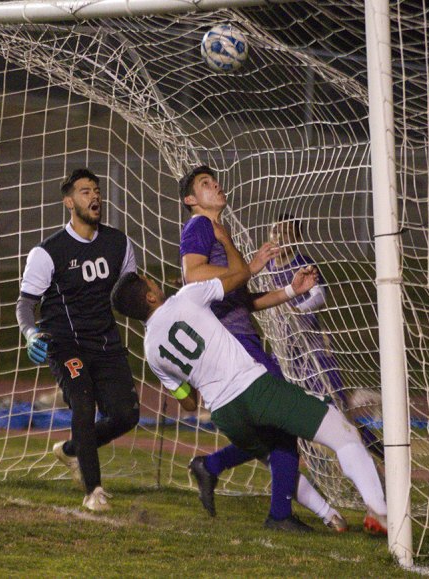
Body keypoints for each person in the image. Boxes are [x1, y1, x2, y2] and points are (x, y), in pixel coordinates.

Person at [110, 264, 388, 535]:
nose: (156, 283)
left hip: (226, 414)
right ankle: (381, 513)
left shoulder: (151, 351)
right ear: (149, 296)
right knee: (344, 433)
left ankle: (322, 516)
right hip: (254, 389)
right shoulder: (188, 296)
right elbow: (238, 277)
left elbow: (189, 403)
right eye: (150, 282)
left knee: (281, 452)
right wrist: (285, 284)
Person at [178, 166, 347, 532]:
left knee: (274, 433)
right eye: (205, 184)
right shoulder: (200, 227)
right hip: (233, 348)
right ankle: (279, 514)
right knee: (285, 422)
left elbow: (244, 301)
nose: (216, 185)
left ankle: (213, 467)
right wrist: (250, 266)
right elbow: (193, 275)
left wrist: (291, 292)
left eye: (215, 180)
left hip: (243, 341)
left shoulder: (221, 233)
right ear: (191, 199)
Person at [16, 168, 140, 512]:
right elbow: (26, 303)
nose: (95, 197)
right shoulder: (47, 251)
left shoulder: (119, 244)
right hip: (66, 344)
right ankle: (94, 490)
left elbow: (128, 294)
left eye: (97, 190)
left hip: (106, 343)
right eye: (85, 191)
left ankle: (71, 450)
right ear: (69, 201)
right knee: (83, 405)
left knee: (127, 415)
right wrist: (30, 333)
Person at [267, 214, 384, 460]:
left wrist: (298, 309)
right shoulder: (266, 265)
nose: (278, 237)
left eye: (286, 233)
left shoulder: (304, 264)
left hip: (312, 350)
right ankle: (309, 463)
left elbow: (320, 296)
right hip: (283, 351)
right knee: (283, 410)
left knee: (337, 411)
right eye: (275, 231)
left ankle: (378, 451)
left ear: (297, 239)